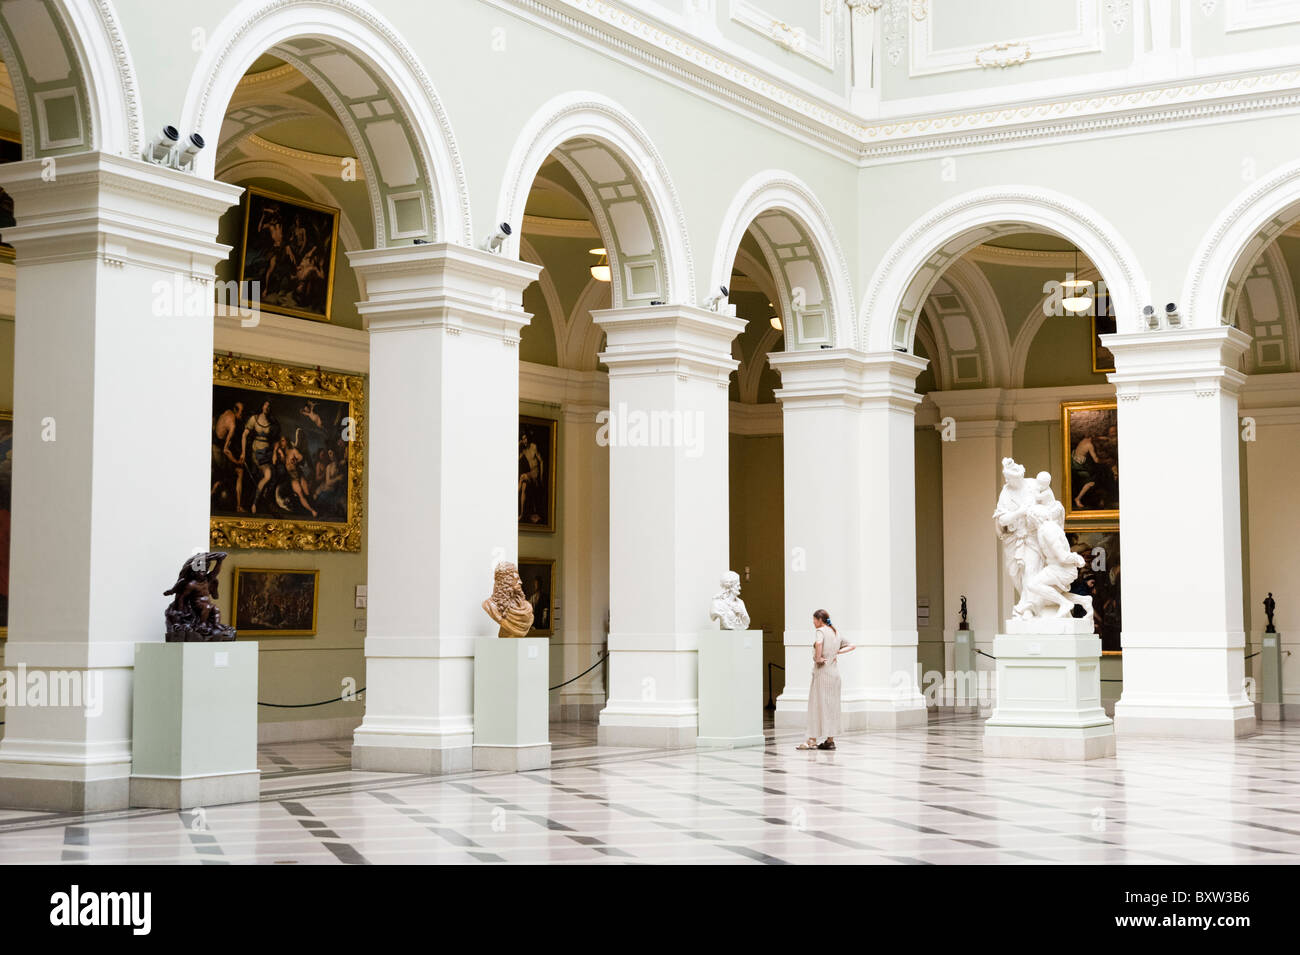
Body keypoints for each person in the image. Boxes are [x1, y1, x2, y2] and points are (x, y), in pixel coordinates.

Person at [797, 609, 855, 751]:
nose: (813, 623)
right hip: (834, 674)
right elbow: (852, 645)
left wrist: (818, 658)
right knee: (832, 707)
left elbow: (818, 644)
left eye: (814, 620)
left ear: (819, 620)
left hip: (822, 673)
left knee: (816, 705)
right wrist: (837, 652)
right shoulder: (836, 632)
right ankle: (830, 740)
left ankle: (812, 740)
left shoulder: (821, 631)